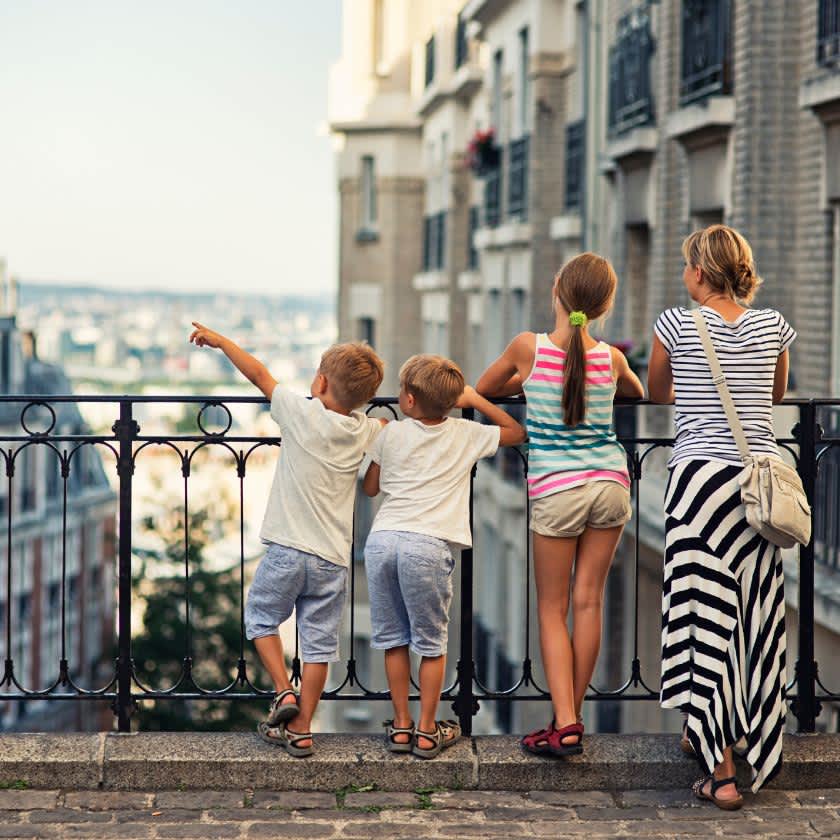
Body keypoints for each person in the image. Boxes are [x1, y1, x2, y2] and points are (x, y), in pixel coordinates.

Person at [647, 224, 795, 809]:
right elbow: (778, 396)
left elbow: (660, 393)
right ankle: (741, 740)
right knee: (750, 619)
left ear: (701, 274)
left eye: (688, 267)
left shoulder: (676, 324)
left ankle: (722, 772)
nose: (685, 277)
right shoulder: (773, 325)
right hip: (757, 488)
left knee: (701, 614)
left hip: (698, 487)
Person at [189, 322, 385, 757]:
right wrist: (381, 429)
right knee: (318, 645)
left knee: (260, 619)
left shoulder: (300, 411)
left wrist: (221, 342)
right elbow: (371, 487)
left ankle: (283, 690)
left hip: (286, 547)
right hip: (333, 557)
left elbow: (259, 374)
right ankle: (302, 730)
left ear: (320, 381)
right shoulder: (368, 430)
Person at [476, 252, 643, 756]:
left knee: (552, 609)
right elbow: (635, 390)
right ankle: (573, 717)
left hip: (556, 489)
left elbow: (484, 389)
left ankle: (565, 720)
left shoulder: (527, 348)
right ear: (605, 305)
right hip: (611, 485)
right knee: (589, 600)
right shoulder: (611, 357)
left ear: (556, 291)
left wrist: (527, 382)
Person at [362, 354, 525, 758]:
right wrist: (475, 399)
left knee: (393, 639)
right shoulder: (466, 433)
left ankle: (400, 726)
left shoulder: (390, 433)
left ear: (410, 401)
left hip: (382, 539)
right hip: (427, 544)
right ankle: (427, 728)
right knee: (431, 643)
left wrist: (380, 445)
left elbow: (370, 488)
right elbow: (515, 431)